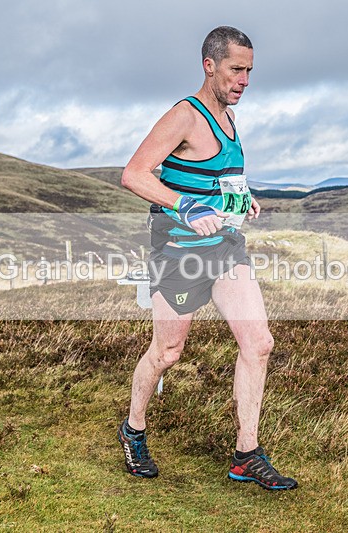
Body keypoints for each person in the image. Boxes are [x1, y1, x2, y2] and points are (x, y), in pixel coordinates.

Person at [118, 26, 297, 490]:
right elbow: (134, 174)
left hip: (224, 249)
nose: (244, 80)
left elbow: (220, 178)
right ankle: (133, 429)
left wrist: (243, 199)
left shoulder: (231, 120)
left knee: (258, 344)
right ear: (209, 65)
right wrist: (185, 205)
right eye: (237, 69)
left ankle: (246, 454)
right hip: (178, 253)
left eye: (250, 71)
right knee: (168, 352)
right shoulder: (185, 115)